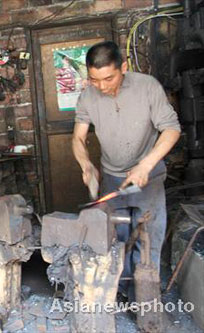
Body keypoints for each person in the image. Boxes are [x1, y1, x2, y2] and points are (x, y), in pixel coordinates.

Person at [71, 41, 181, 299]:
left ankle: (146, 295)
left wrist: (146, 165)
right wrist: (86, 164)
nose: (102, 86)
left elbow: (171, 129)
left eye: (108, 78)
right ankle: (119, 290)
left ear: (124, 67)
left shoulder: (147, 87)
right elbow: (78, 138)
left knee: (148, 237)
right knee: (115, 238)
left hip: (148, 175)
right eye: (94, 79)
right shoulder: (88, 96)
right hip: (112, 177)